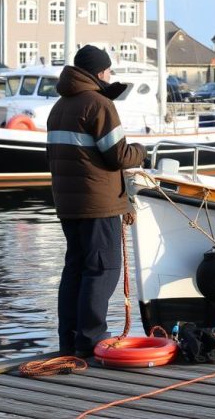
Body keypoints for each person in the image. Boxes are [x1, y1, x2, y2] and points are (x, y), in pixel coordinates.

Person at [47, 44, 146, 357]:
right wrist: (142, 152)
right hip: (98, 203)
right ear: (100, 72)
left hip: (68, 204)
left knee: (75, 269)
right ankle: (91, 341)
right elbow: (118, 155)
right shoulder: (99, 104)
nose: (111, 74)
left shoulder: (60, 106)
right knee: (102, 270)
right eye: (109, 70)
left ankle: (71, 342)